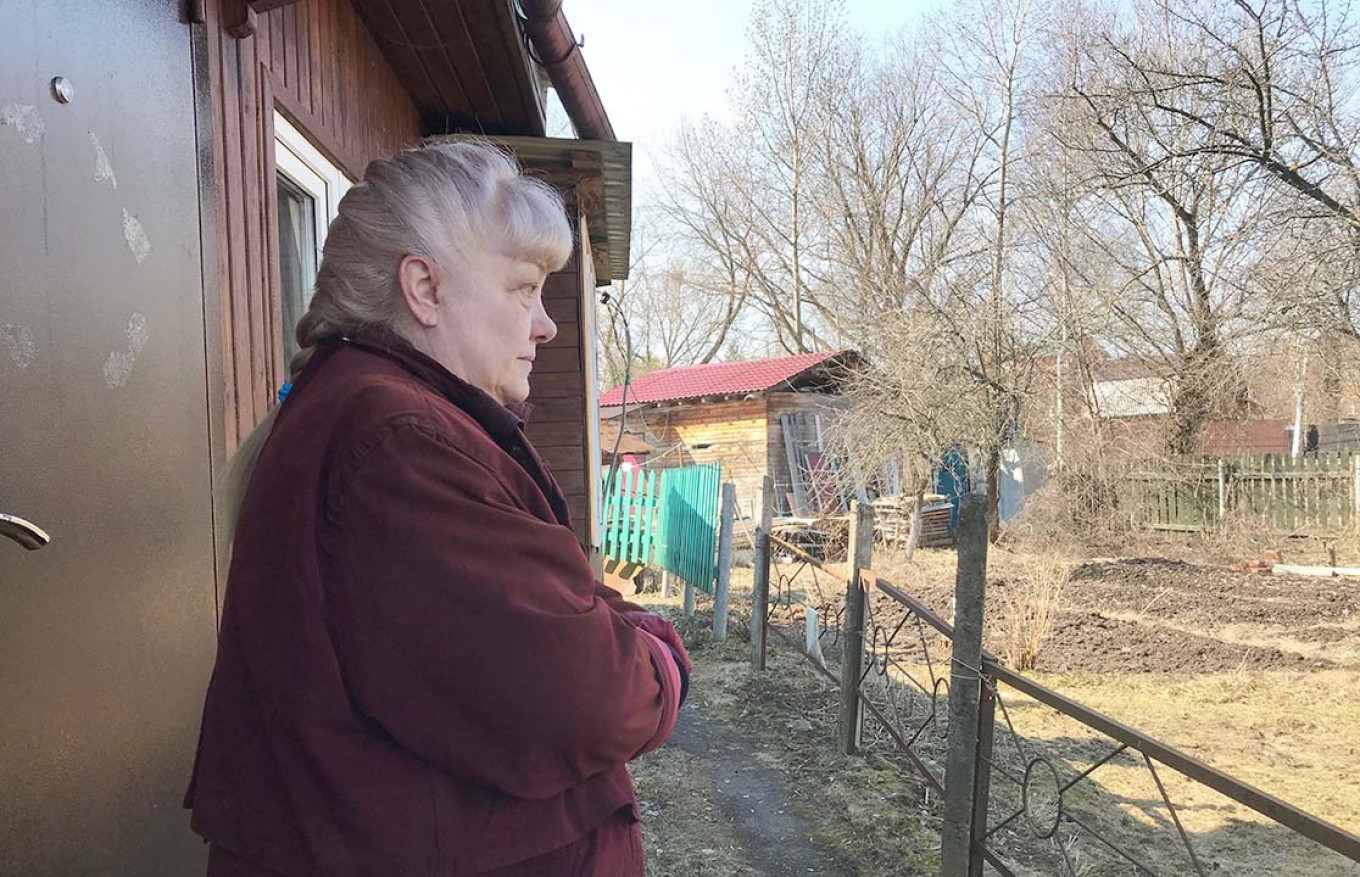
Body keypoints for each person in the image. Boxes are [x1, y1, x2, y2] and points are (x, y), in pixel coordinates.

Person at [185, 141, 690, 876]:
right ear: (424, 287)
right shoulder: (400, 443)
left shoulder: (375, 417)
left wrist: (612, 627)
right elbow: (588, 695)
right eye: (524, 288)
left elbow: (548, 611)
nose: (545, 325)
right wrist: (664, 660)